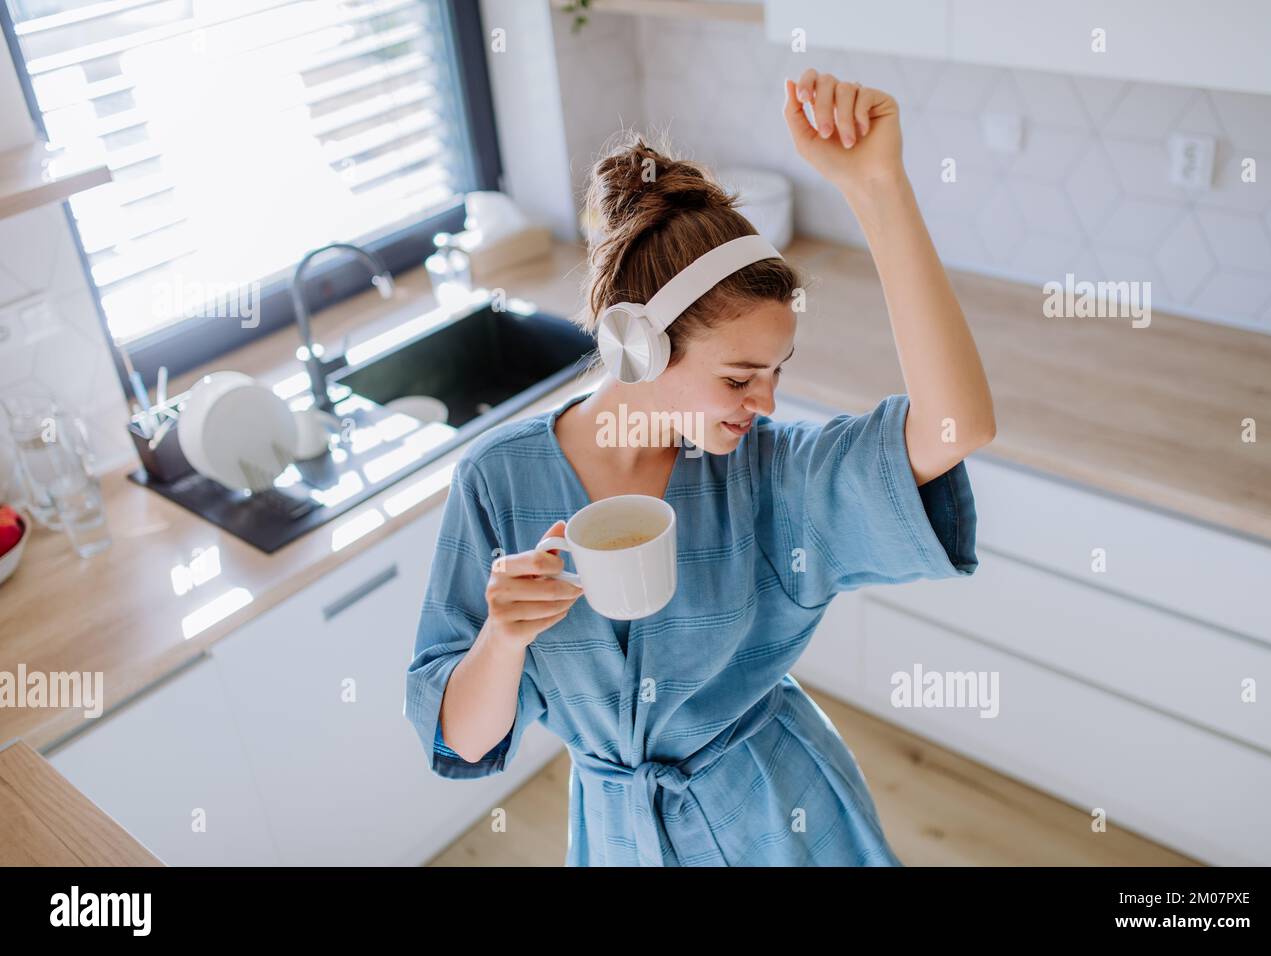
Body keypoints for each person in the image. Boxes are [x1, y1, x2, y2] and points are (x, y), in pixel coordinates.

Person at [405, 70, 996, 866]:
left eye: (778, 372)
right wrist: (503, 639)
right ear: (636, 347)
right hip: (620, 838)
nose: (768, 404)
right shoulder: (498, 483)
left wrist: (879, 187)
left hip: (782, 817)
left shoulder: (766, 477)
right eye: (740, 377)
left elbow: (958, 426)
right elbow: (461, 742)